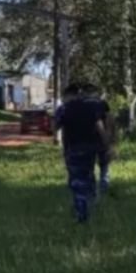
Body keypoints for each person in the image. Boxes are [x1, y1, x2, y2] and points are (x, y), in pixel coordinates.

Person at [54, 82, 109, 223]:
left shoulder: (64, 109)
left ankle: (82, 214)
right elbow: (100, 126)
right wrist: (106, 144)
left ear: (67, 95)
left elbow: (54, 127)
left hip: (73, 149)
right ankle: (90, 204)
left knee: (77, 181)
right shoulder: (90, 106)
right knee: (88, 175)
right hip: (90, 148)